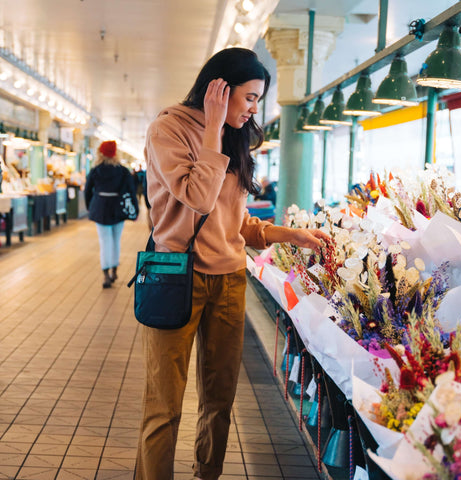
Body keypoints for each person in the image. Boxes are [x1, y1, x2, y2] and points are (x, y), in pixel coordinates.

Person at [136, 47, 328, 480]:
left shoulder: (235, 135)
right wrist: (211, 131)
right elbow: (198, 197)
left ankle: (209, 473)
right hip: (174, 276)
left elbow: (234, 221)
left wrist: (289, 234)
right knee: (164, 404)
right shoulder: (168, 129)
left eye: (259, 99)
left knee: (219, 398)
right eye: (249, 97)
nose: (253, 109)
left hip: (229, 279)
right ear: (219, 91)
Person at [84, 140, 138, 288]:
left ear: (100, 153)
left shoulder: (95, 171)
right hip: (117, 209)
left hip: (100, 208)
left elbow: (87, 191)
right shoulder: (123, 171)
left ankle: (106, 274)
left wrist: (90, 207)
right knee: (116, 240)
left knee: (105, 241)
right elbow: (131, 192)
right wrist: (136, 210)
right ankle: (115, 269)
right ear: (115, 153)